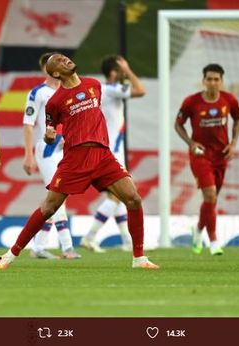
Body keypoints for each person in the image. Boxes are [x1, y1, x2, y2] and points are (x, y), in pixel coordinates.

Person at [0, 53, 159, 270]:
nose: (64, 60)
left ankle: (139, 259)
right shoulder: (55, 102)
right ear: (55, 73)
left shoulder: (94, 85)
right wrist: (48, 137)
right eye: (59, 62)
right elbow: (50, 130)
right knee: (50, 207)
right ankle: (10, 255)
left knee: (133, 199)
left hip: (102, 155)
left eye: (64, 57)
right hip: (75, 159)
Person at [174, 63, 239, 256]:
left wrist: (234, 143)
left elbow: (237, 119)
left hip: (221, 155)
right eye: (209, 79)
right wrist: (190, 143)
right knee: (210, 195)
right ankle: (213, 241)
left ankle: (197, 231)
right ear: (203, 81)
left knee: (211, 199)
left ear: (221, 81)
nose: (213, 83)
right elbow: (178, 124)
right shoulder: (191, 102)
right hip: (201, 155)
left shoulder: (229, 100)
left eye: (216, 79)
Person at [80, 55, 145, 253]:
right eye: (120, 70)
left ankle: (127, 240)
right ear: (114, 72)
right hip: (112, 150)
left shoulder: (105, 90)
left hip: (110, 147)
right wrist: (129, 70)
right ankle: (89, 237)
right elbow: (141, 90)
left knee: (117, 196)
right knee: (119, 196)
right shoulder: (110, 89)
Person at [22, 52, 81, 260]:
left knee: (53, 198)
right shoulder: (38, 93)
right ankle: (67, 247)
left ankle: (38, 247)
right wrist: (28, 155)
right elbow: (29, 125)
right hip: (46, 151)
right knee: (59, 195)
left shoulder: (68, 91)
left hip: (64, 150)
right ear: (46, 69)